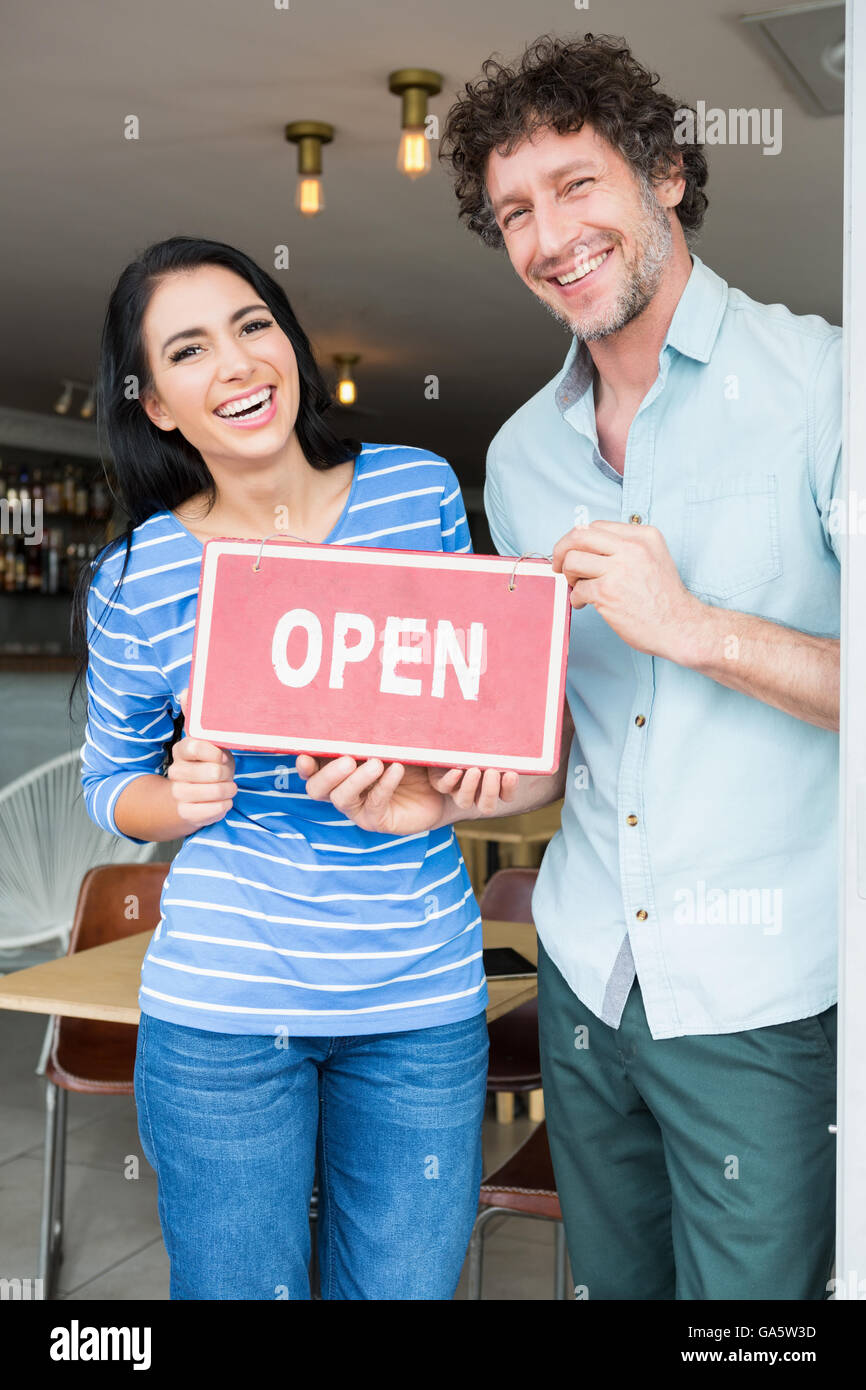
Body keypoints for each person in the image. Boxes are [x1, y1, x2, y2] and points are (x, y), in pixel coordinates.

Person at [302, 33, 841, 1300]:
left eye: (576, 184)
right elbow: (554, 740)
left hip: (764, 994)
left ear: (665, 174)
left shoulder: (826, 386)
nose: (548, 237)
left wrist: (693, 625)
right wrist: (443, 796)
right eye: (513, 213)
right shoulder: (519, 460)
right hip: (589, 976)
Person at [72, 234, 502, 1301]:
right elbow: (109, 782)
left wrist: (453, 775)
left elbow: (471, 702)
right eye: (188, 350)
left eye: (252, 325)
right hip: (224, 1012)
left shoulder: (416, 490)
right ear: (156, 405)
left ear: (290, 344)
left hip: (419, 994)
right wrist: (177, 799)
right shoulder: (136, 577)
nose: (236, 363)